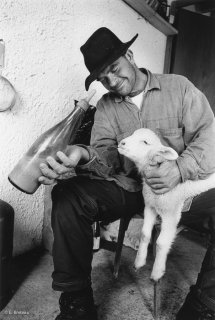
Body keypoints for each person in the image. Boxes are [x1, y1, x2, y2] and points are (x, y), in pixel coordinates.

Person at [39, 27, 215, 320]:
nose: (111, 81)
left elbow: (210, 138)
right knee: (68, 195)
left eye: (114, 69)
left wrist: (179, 169)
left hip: (184, 189)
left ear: (130, 56)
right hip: (132, 189)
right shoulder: (107, 106)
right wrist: (82, 154)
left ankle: (205, 305)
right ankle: (76, 302)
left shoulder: (179, 88)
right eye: (102, 78)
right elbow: (107, 158)